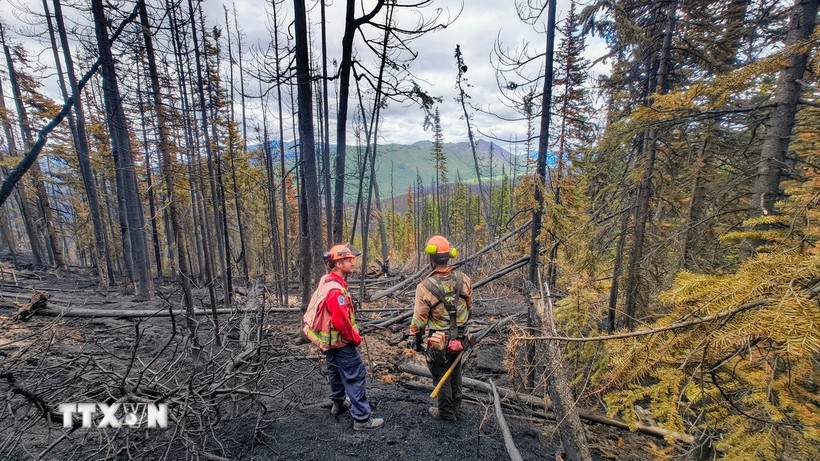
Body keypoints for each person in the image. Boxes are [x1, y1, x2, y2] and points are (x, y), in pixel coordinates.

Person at [303, 243, 384, 431]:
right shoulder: (335, 291)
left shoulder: (326, 280)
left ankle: (338, 403)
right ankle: (362, 419)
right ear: (338, 264)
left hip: (330, 343)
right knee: (355, 375)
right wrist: (354, 338)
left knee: (335, 371)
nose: (353, 263)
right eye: (348, 260)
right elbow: (341, 322)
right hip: (341, 342)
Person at [409, 235, 473, 421]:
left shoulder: (425, 286)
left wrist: (416, 338)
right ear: (450, 255)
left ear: (431, 257)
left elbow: (419, 320)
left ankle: (445, 413)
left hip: (439, 341)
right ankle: (456, 408)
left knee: (441, 374)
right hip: (461, 338)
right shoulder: (464, 279)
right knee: (456, 370)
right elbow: (470, 307)